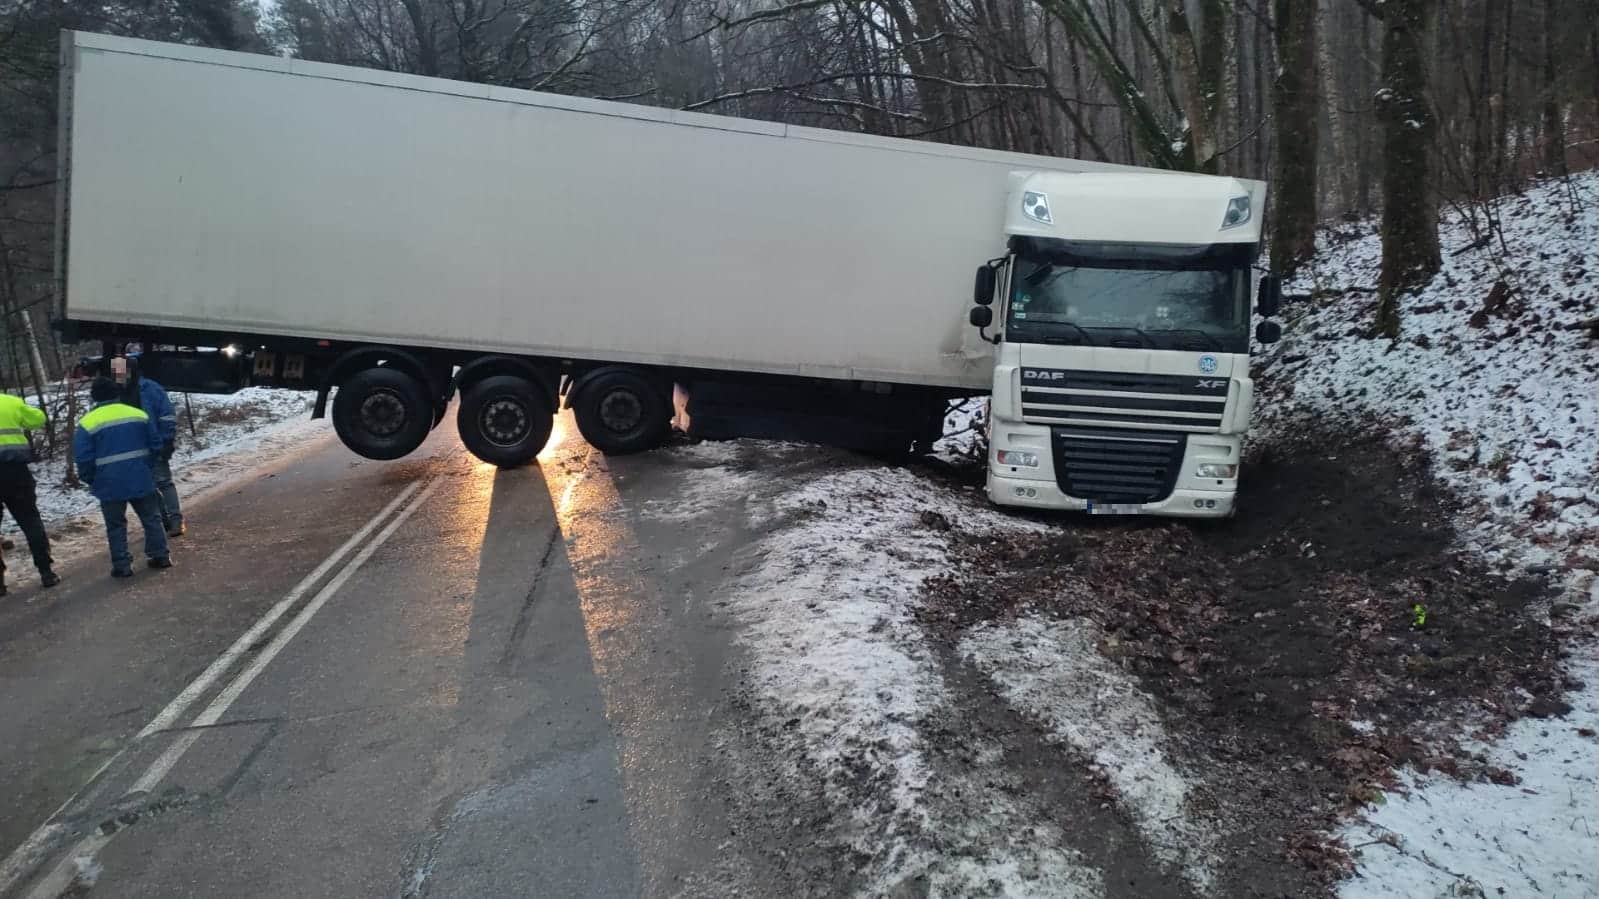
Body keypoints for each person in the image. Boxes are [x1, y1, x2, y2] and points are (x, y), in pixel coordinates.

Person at [74, 377, 171, 578]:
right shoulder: (138, 415)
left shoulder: (87, 423)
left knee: (115, 525)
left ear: (94, 398)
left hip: (108, 483)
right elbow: (155, 445)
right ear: (117, 394)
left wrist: (90, 478)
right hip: (140, 477)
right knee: (151, 518)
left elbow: (83, 458)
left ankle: (122, 565)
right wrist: (148, 466)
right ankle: (160, 556)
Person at [0, 392, 59, 595]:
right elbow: (38, 419)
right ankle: (46, 572)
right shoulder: (10, 403)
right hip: (15, 471)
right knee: (30, 520)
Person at [123, 356, 184, 537]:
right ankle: (163, 520)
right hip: (133, 448)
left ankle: (176, 521)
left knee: (163, 482)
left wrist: (167, 440)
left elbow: (166, 415)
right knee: (147, 487)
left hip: (154, 444)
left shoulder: (150, 388)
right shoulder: (117, 393)